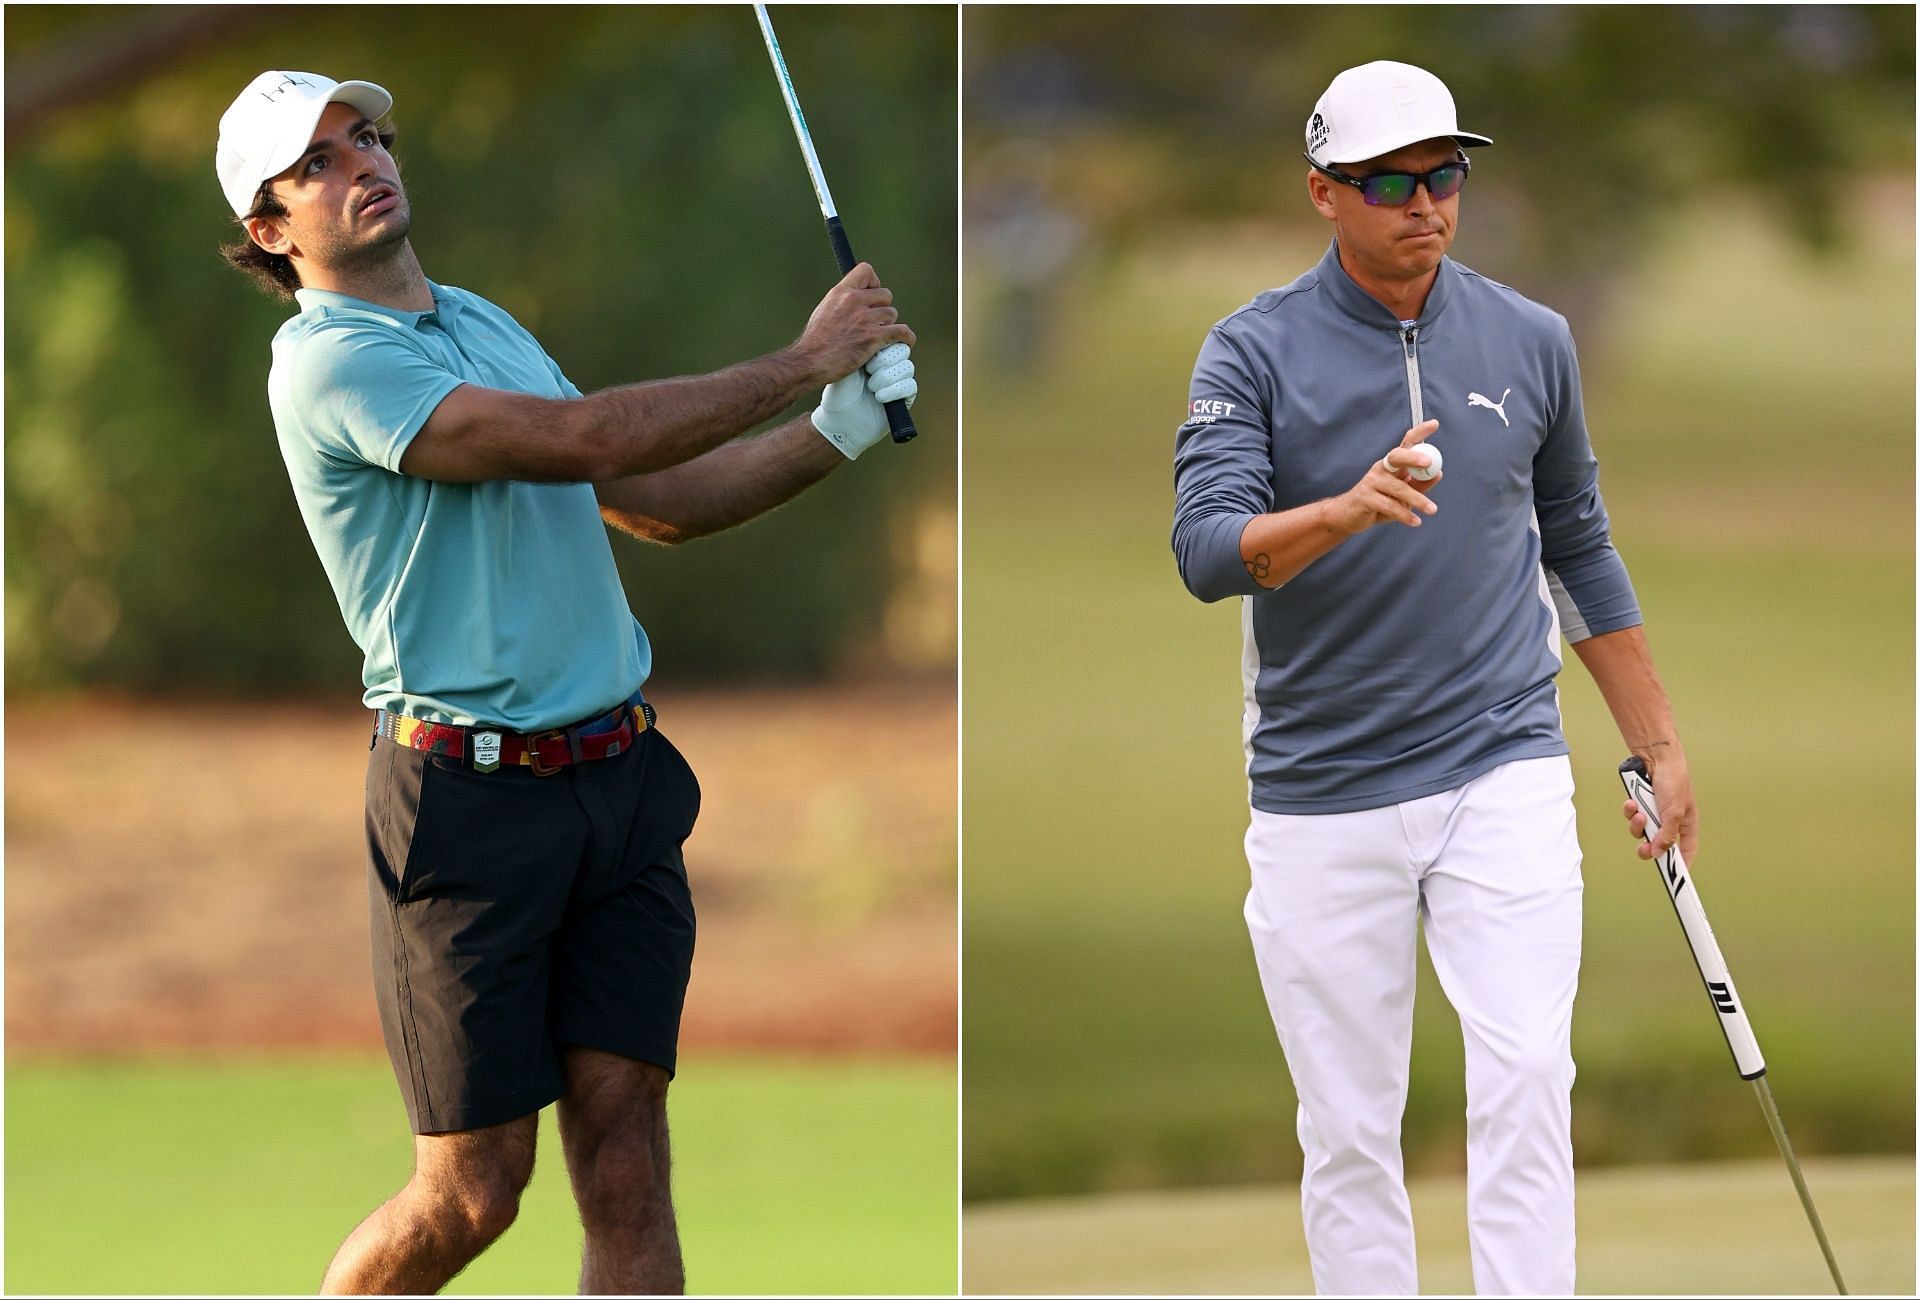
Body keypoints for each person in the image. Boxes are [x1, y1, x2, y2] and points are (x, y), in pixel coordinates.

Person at [214, 70, 917, 1295]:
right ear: (270, 230)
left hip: (621, 783)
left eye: (367, 136)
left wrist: (835, 430)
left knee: (628, 1155)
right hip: (467, 806)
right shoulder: (324, 365)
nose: (362, 161)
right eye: (317, 161)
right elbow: (585, 438)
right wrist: (807, 359)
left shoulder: (483, 321)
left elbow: (651, 502)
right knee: (473, 1193)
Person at [1170, 60, 1697, 1296]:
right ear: (1324, 192)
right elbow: (1205, 554)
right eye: (1390, 180)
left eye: (1444, 173)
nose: (1425, 201)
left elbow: (1577, 548)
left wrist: (1659, 740)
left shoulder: (1532, 338)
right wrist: (1347, 509)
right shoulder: (1251, 351)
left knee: (1525, 1076)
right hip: (1320, 789)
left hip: (1499, 764)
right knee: (1350, 1129)